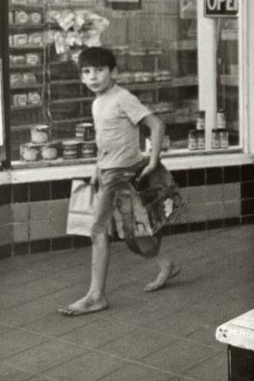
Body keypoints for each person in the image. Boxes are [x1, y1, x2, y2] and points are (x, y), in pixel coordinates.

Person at [60, 46, 179, 316]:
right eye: (86, 72)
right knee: (134, 228)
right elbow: (106, 141)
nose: (93, 77)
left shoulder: (123, 98)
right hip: (109, 171)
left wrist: (152, 160)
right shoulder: (97, 101)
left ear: (114, 72)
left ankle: (96, 296)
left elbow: (157, 125)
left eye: (99, 70)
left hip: (122, 173)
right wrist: (96, 168)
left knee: (98, 231)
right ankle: (166, 264)